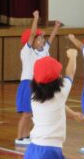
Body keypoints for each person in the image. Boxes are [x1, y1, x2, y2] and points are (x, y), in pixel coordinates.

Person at [15, 11, 61, 146]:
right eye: (38, 39)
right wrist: (35, 19)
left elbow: (50, 40)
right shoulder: (26, 51)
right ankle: (19, 137)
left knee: (32, 113)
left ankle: (26, 136)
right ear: (31, 40)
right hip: (27, 84)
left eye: (42, 39)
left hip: (37, 84)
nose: (41, 41)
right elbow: (33, 33)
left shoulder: (43, 51)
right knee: (26, 113)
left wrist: (56, 27)